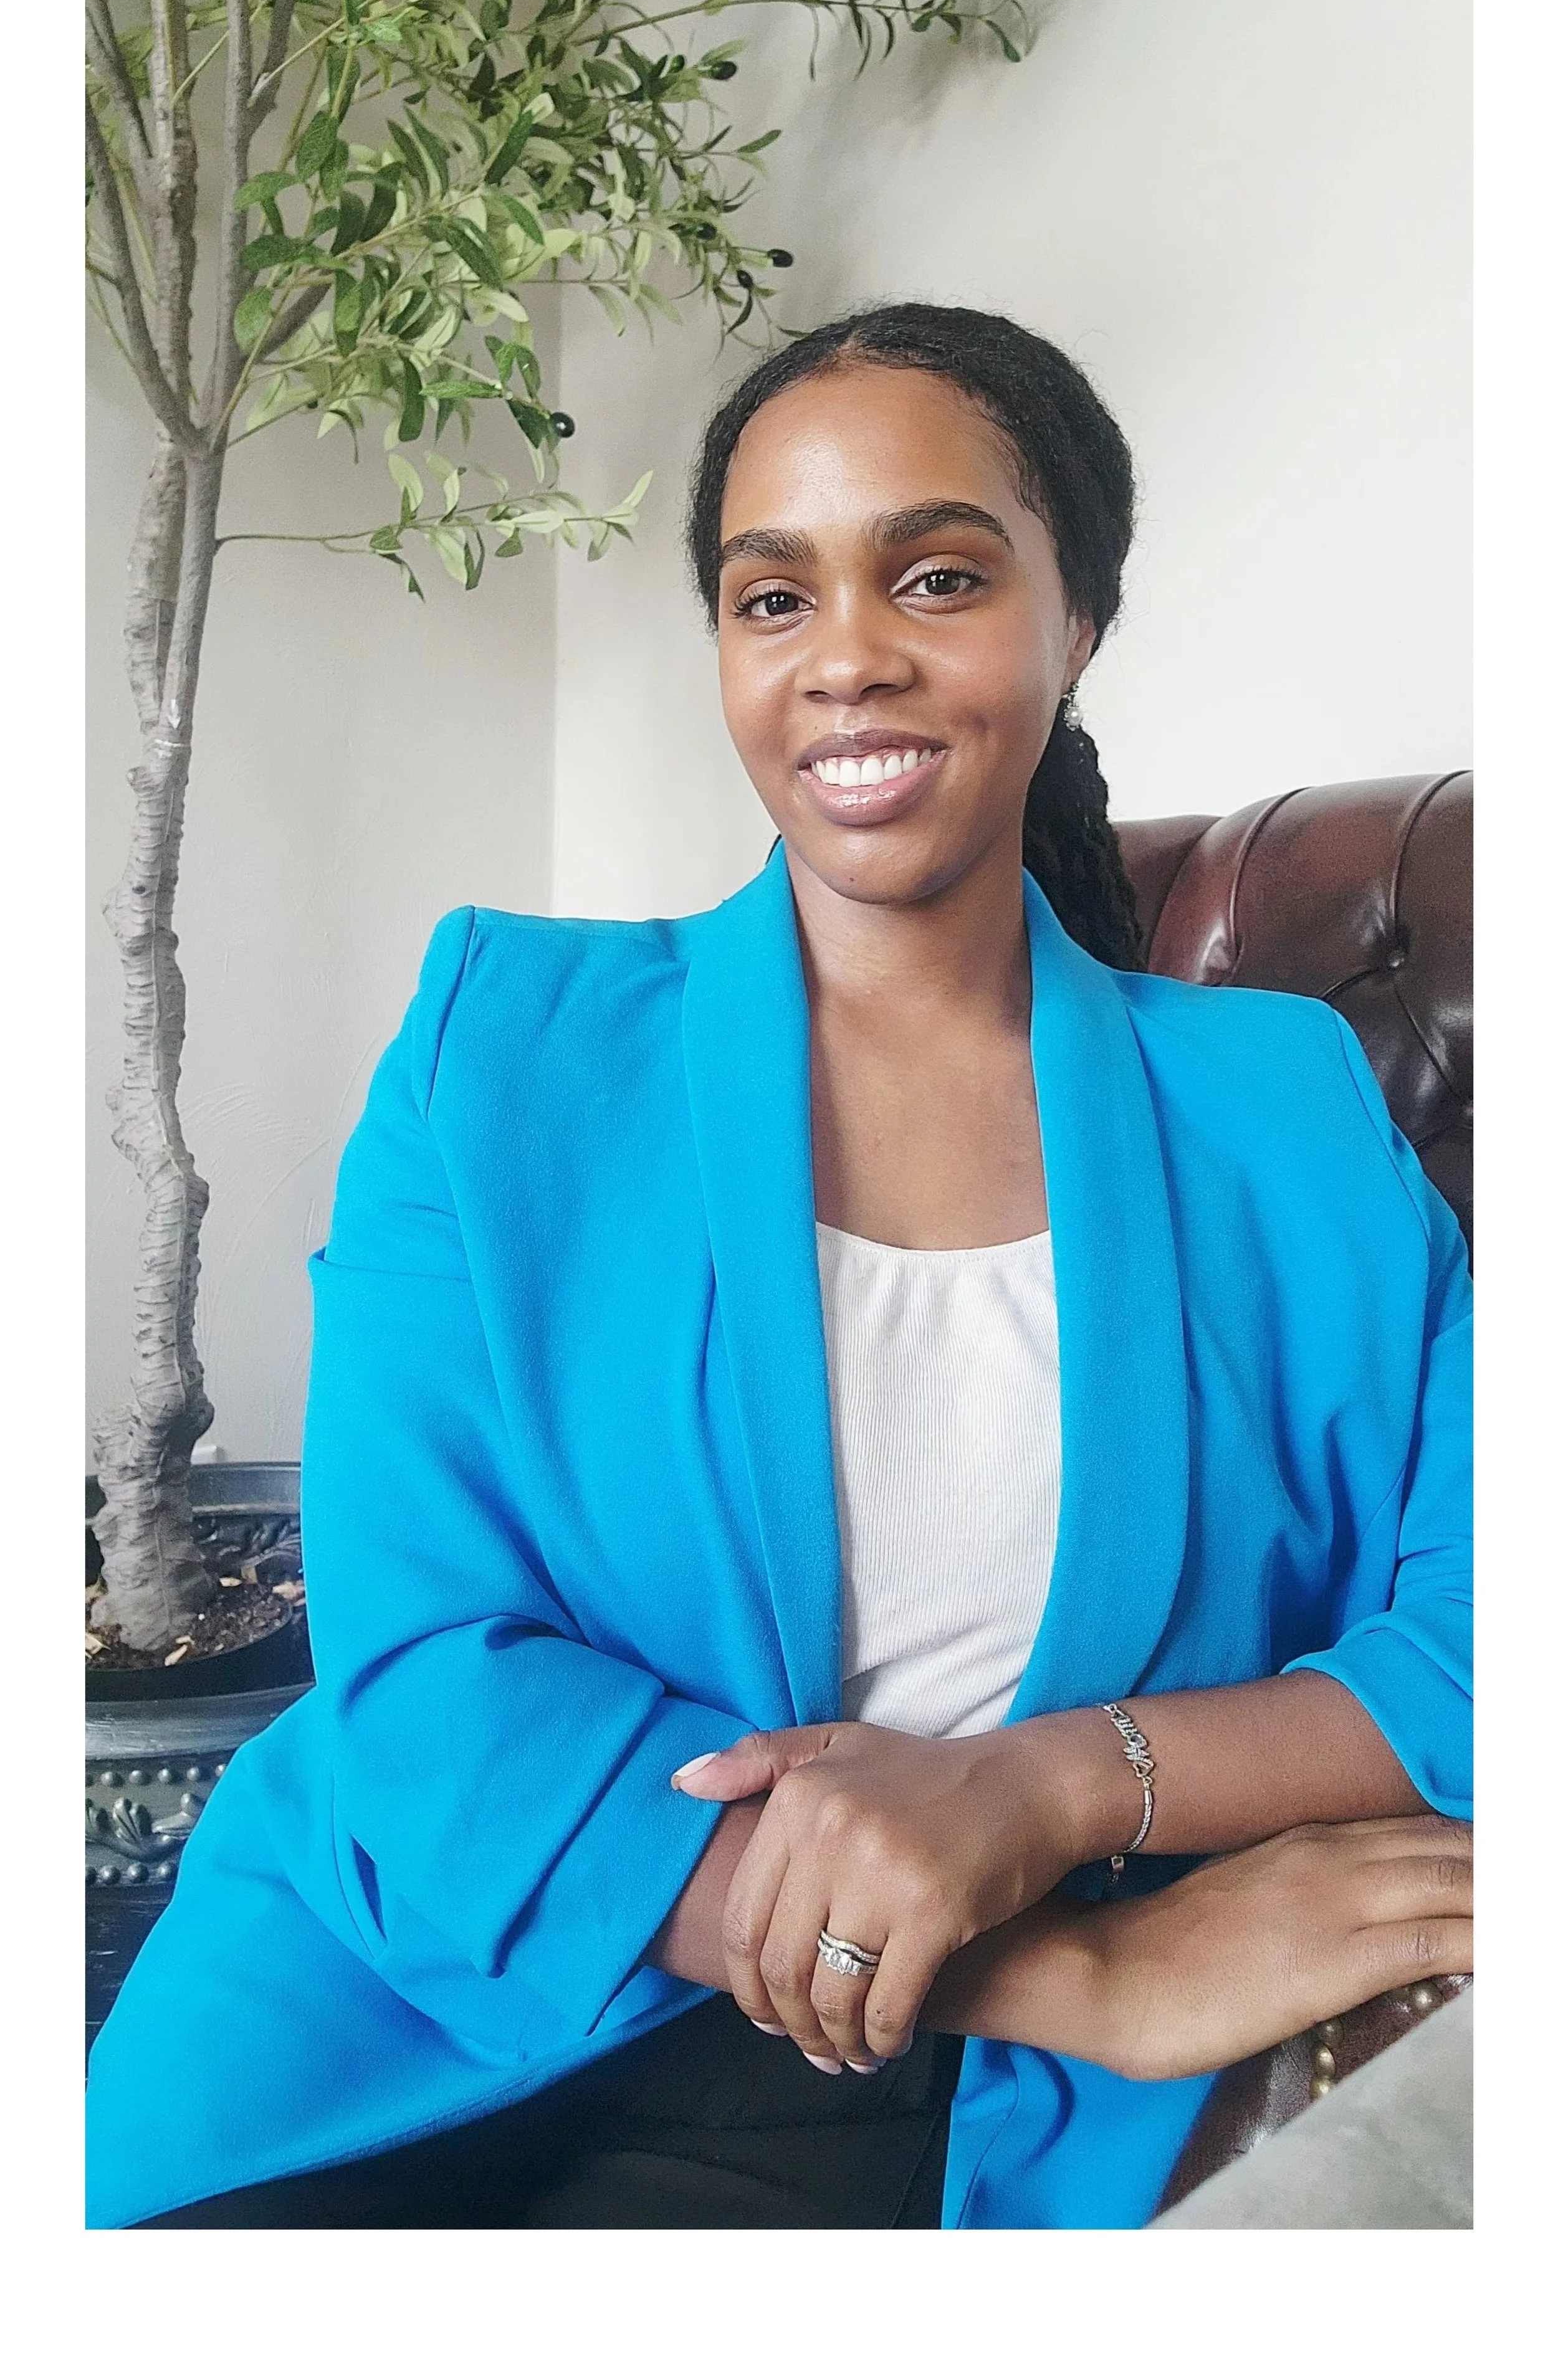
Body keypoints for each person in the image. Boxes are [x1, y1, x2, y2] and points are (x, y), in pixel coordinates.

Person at [86, 304, 1472, 2231]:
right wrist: (1071, 1966)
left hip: (887, 2118)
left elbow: (1480, 1626)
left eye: (937, 575)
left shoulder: (1281, 1108)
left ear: (1076, 621)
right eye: (770, 596)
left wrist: (1054, 1790)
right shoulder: (501, 1045)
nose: (845, 656)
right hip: (391, 2014)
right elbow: (425, 1689)